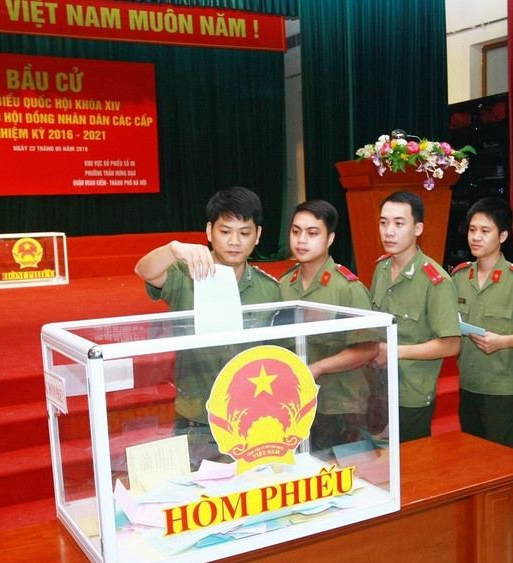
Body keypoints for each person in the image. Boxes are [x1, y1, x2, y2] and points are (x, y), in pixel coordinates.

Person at [134, 186, 280, 457]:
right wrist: (174, 249)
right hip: (196, 416)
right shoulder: (184, 275)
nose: (234, 241)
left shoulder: (270, 289)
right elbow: (145, 270)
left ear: (258, 236)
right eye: (225, 232)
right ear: (209, 231)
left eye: (244, 233)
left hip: (252, 415)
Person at [278, 199, 378, 450]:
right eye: (296, 231)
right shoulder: (283, 285)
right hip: (293, 403)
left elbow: (367, 349)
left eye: (312, 233)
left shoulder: (348, 288)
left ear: (330, 239)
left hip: (338, 407)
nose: (302, 240)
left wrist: (318, 368)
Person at [451, 196, 513, 447]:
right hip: (468, 382)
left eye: (485, 231)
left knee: (500, 459)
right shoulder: (459, 276)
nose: (476, 237)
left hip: (502, 387)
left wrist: (503, 341)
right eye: (472, 230)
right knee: (471, 455)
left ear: (503, 236)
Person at [369, 190, 460, 442]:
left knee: (412, 473)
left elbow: (451, 344)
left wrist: (394, 351)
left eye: (399, 224)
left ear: (418, 228)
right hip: (377, 388)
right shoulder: (381, 268)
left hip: (411, 395)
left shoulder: (435, 280)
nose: (389, 231)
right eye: (384, 222)